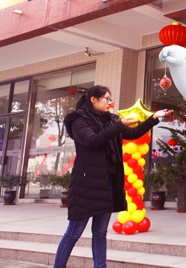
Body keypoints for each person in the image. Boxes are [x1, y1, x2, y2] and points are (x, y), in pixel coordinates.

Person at [53, 85, 172, 268]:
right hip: (86, 184)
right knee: (74, 232)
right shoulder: (78, 120)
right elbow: (93, 141)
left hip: (108, 183)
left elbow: (132, 134)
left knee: (100, 233)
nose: (109, 102)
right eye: (106, 98)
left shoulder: (111, 120)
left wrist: (154, 118)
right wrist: (119, 125)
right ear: (93, 99)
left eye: (110, 98)